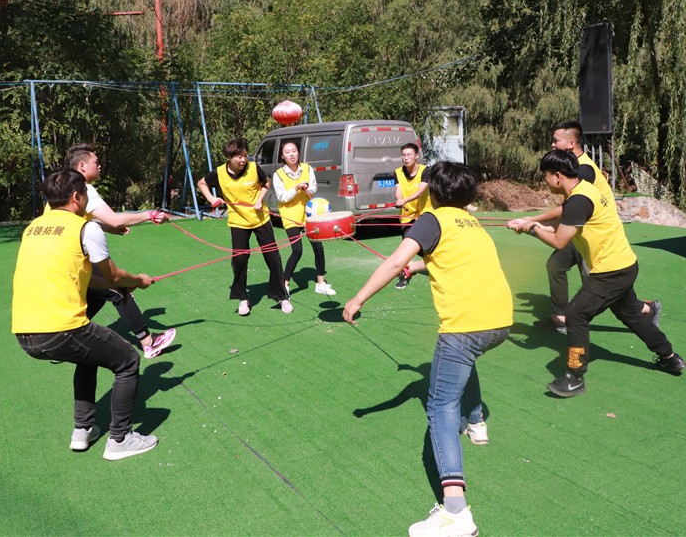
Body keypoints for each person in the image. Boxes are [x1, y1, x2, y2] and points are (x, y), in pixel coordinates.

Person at [343, 161, 512, 537]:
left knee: (440, 407)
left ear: (434, 193)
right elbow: (451, 258)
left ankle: (455, 511)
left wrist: (357, 299)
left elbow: (394, 261)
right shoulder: (471, 223)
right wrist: (419, 268)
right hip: (500, 323)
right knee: (465, 361)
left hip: (465, 325)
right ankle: (477, 422)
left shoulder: (431, 220)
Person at [510, 150, 686, 397]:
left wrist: (532, 229)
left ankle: (574, 376)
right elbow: (564, 224)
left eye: (546, 176)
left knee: (575, 315)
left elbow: (559, 241)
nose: (545, 181)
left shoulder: (578, 200)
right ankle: (670, 357)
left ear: (558, 176)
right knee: (631, 314)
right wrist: (530, 224)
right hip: (624, 265)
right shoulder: (584, 190)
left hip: (609, 272)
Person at [12, 169, 158, 460]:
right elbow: (113, 275)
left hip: (24, 333)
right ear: (77, 197)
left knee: (88, 358)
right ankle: (120, 439)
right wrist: (137, 280)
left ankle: (83, 430)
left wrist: (123, 285)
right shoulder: (85, 228)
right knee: (128, 360)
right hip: (62, 328)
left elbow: (86, 278)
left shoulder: (33, 228)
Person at [511, 121, 636, 332]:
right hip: (578, 228)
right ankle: (562, 315)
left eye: (556, 141)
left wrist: (532, 222)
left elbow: (569, 209)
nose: (552, 144)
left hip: (593, 233)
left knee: (599, 290)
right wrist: (532, 223)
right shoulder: (572, 165)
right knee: (556, 265)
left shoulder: (583, 170)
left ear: (571, 144)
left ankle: (644, 311)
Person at [64, 144, 177, 359]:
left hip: (64, 256)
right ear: (82, 165)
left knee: (98, 294)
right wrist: (150, 214)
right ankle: (149, 342)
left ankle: (69, 335)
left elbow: (82, 219)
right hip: (73, 257)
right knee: (118, 289)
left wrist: (108, 227)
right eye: (96, 162)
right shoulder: (84, 189)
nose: (100, 166)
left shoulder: (62, 187)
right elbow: (114, 219)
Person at [197, 138, 292, 316]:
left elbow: (266, 183)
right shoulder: (219, 173)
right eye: (239, 157)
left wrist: (259, 199)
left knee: (273, 257)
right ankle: (242, 297)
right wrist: (211, 198)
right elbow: (202, 183)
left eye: (245, 156)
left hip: (260, 218)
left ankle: (282, 296)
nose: (243, 160)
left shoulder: (253, 168)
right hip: (238, 222)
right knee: (240, 260)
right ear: (229, 157)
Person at [272, 141, 336, 296]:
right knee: (297, 250)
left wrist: (307, 187)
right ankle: (284, 284)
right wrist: (296, 188)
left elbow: (314, 188)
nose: (291, 154)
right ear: (282, 156)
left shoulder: (307, 168)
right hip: (290, 216)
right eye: (287, 152)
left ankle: (321, 283)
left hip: (309, 214)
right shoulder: (278, 174)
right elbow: (282, 197)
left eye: (294, 151)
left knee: (318, 248)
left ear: (298, 153)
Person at [393, 142, 432, 289]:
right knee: (407, 250)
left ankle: (437, 267)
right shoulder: (397, 172)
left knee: (427, 249)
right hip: (407, 216)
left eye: (409, 154)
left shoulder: (425, 170)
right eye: (403, 155)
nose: (406, 157)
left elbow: (420, 192)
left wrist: (405, 200)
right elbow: (398, 190)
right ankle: (405, 274)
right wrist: (399, 199)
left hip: (424, 216)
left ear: (416, 156)